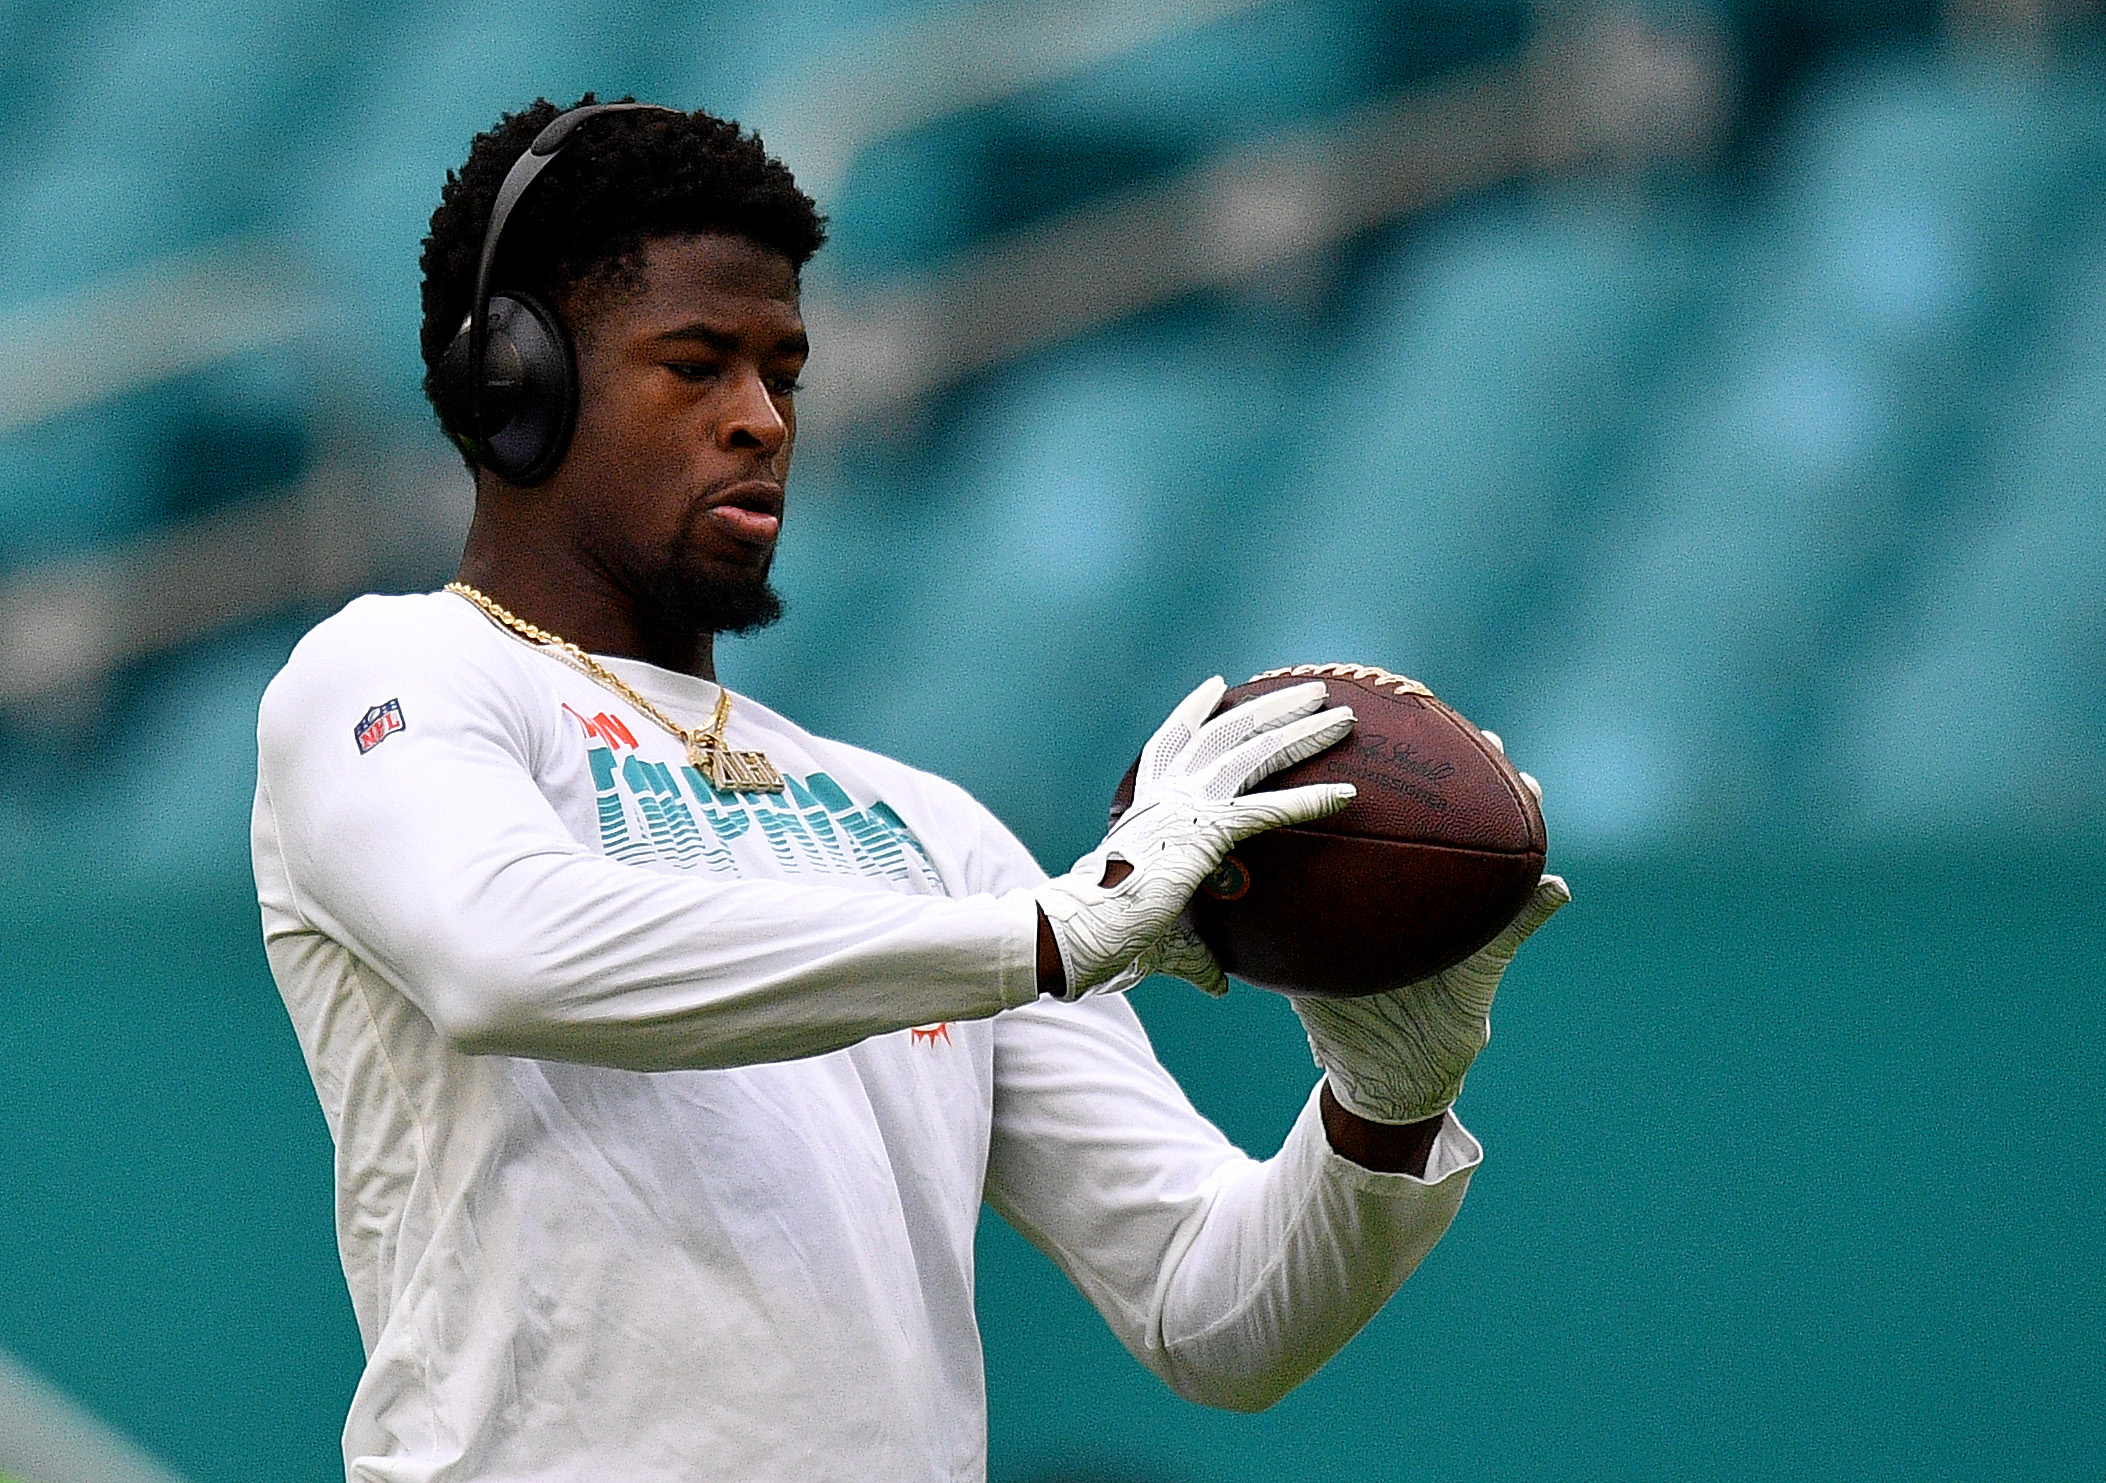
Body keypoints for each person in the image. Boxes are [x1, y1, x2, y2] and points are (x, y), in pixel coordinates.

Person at [252, 97, 1568, 1483]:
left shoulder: (927, 829)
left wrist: (1383, 1099)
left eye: (783, 372)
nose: (759, 421)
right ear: (513, 386)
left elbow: (1209, 1311)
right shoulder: (394, 671)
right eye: (694, 365)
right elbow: (500, 957)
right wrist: (1042, 940)